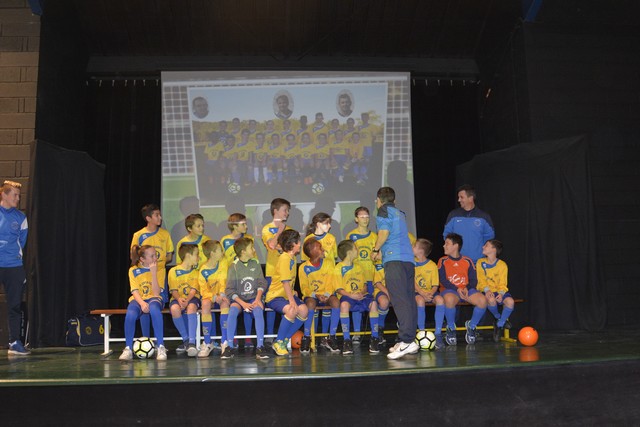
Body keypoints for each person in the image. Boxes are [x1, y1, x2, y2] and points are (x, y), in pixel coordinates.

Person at [371, 187, 419, 359]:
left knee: (399, 300)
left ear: (379, 200)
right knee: (409, 300)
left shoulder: (383, 210)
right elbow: (396, 236)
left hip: (395, 261)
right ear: (394, 200)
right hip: (407, 260)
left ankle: (406, 341)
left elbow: (384, 233)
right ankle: (409, 339)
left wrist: (375, 249)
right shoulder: (400, 213)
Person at [221, 237, 269, 359]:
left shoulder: (255, 263)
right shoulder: (234, 267)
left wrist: (257, 299)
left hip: (254, 298)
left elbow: (262, 283)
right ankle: (229, 347)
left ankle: (260, 346)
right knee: (232, 311)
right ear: (243, 251)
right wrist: (243, 304)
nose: (254, 250)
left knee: (258, 310)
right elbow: (229, 290)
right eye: (251, 248)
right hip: (240, 300)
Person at [130, 204, 174, 337]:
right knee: (144, 305)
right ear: (148, 218)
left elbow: (170, 255)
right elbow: (133, 255)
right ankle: (146, 338)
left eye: (160, 214)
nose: (160, 217)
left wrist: (158, 262)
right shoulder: (138, 235)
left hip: (159, 276)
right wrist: (146, 264)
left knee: (155, 306)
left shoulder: (165, 234)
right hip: (143, 277)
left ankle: (158, 340)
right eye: (156, 215)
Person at [436, 233, 487, 347]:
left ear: (455, 246)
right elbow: (442, 279)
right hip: (450, 290)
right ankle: (451, 327)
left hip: (465, 290)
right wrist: (457, 288)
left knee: (483, 301)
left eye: (447, 243)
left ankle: (472, 326)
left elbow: (473, 280)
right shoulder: (442, 260)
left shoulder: (467, 260)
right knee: (449, 300)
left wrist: (466, 288)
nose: (444, 246)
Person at [332, 240, 381, 355]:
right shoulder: (338, 268)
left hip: (360, 296)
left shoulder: (358, 267)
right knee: (344, 305)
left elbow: (364, 285)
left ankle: (374, 338)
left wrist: (361, 293)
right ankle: (347, 341)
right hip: (347, 296)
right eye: (355, 248)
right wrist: (351, 295)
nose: (357, 250)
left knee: (373, 304)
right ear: (349, 253)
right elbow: (339, 289)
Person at [119, 245, 167, 361]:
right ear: (142, 259)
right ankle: (128, 348)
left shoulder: (160, 269)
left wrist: (153, 273)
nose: (155, 258)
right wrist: (142, 303)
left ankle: (160, 346)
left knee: (154, 309)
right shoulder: (133, 270)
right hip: (139, 299)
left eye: (156, 255)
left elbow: (156, 292)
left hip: (154, 298)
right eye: (152, 256)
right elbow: (134, 290)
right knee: (130, 314)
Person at [265, 229, 309, 356]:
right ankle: (278, 342)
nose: (300, 244)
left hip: (286, 295)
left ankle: (284, 338)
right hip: (275, 296)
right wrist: (291, 300)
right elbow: (284, 281)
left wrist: (293, 292)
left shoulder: (292, 258)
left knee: (304, 310)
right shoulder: (284, 258)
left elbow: (289, 281)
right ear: (292, 244)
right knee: (291, 310)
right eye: (298, 242)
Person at [0, 181, 29, 356]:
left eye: (19, 195)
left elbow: (22, 242)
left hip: (14, 267)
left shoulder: (21, 218)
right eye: (15, 195)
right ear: (4, 195)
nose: (18, 198)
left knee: (14, 305)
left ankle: (14, 342)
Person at [299, 239, 341, 354]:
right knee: (310, 303)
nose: (323, 249)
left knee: (336, 302)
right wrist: (315, 295)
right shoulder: (303, 267)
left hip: (327, 294)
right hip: (312, 296)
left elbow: (331, 283)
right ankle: (306, 337)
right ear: (312, 251)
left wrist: (326, 295)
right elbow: (304, 288)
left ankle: (331, 337)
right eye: (320, 248)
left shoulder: (328, 263)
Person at [261, 198, 292, 344]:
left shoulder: (289, 229)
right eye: (285, 210)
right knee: (272, 303)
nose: (287, 213)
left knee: (285, 303)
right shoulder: (267, 229)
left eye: (288, 210)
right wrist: (280, 230)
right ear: (275, 211)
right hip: (272, 273)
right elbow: (272, 245)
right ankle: (269, 334)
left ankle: (282, 335)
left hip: (287, 272)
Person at [345, 207, 377, 343]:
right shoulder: (351, 236)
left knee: (375, 304)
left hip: (371, 277)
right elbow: (347, 257)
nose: (365, 219)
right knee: (357, 303)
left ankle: (377, 332)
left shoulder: (375, 236)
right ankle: (357, 333)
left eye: (367, 216)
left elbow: (379, 256)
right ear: (356, 219)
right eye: (362, 217)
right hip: (356, 277)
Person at [443, 184, 495, 263]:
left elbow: (490, 238)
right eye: (458, 197)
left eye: (461, 197)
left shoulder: (484, 217)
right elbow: (446, 235)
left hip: (477, 262)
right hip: (457, 262)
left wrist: (479, 252)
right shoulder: (453, 215)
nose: (459, 200)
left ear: (470, 198)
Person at [197, 240, 230, 358]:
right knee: (205, 304)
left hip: (222, 295)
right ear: (212, 253)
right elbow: (203, 290)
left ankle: (224, 341)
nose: (223, 252)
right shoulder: (203, 270)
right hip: (211, 297)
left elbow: (224, 281)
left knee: (225, 304)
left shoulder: (224, 263)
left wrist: (222, 294)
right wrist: (214, 297)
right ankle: (207, 342)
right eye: (220, 250)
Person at [477, 239, 514, 342]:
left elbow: (503, 283)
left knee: (510, 302)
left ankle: (499, 324)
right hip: (486, 290)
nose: (483, 247)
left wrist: (501, 294)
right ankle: (498, 318)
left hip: (499, 291)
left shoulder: (502, 265)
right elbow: (481, 280)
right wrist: (487, 290)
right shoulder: (480, 262)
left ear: (494, 249)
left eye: (486, 245)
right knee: (491, 300)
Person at [168, 243, 201, 357]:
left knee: (191, 307)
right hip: (178, 298)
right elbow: (173, 290)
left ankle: (192, 342)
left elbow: (193, 290)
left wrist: (187, 301)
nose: (198, 258)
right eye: (196, 255)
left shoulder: (196, 272)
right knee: (174, 309)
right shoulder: (173, 271)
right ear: (188, 255)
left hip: (192, 298)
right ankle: (186, 340)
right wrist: (179, 299)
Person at [413, 239, 439, 334]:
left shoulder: (432, 265)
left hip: (429, 292)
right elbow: (411, 281)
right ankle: (421, 331)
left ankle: (438, 332)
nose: (412, 247)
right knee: (420, 301)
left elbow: (435, 285)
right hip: (416, 292)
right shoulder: (411, 263)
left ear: (421, 251)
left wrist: (429, 294)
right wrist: (422, 293)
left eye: (414, 246)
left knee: (440, 300)